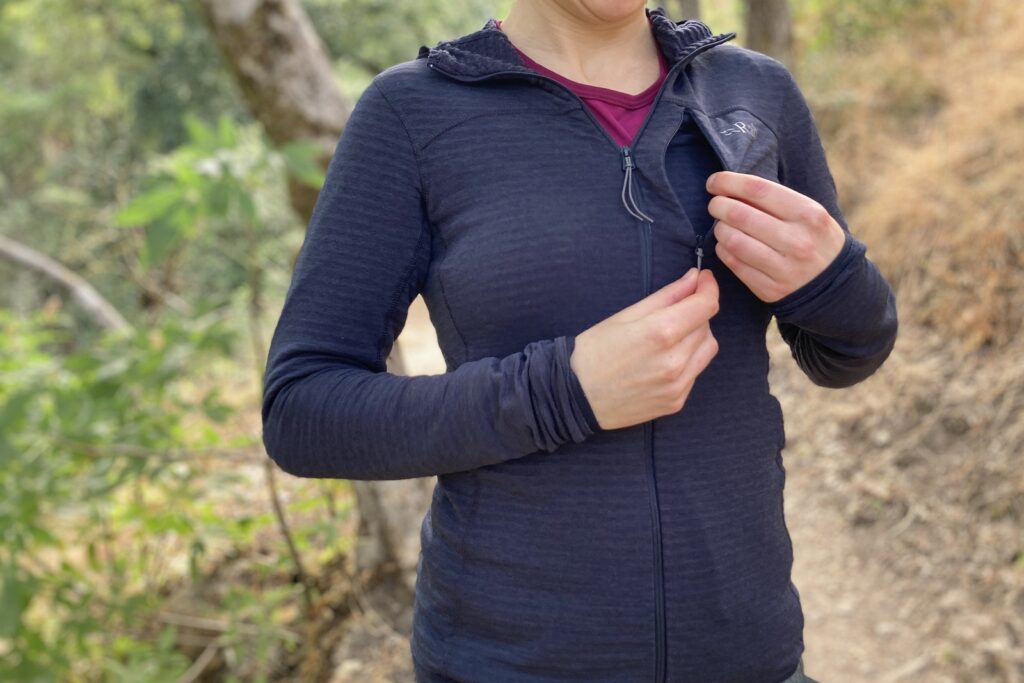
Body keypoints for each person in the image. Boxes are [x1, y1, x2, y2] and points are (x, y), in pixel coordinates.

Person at [261, 1, 898, 682]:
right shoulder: (412, 114)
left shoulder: (754, 92)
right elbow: (303, 410)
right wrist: (563, 391)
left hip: (751, 657)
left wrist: (834, 280)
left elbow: (846, 351)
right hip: (505, 663)